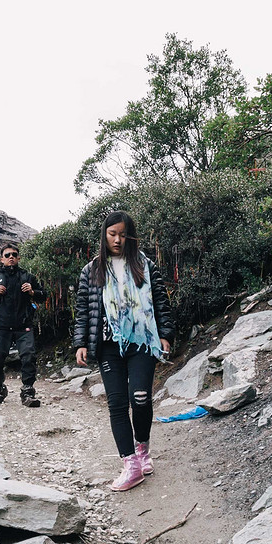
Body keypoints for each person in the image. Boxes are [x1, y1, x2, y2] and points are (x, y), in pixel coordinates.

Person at [73, 210, 173, 490]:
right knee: (117, 404)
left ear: (130, 236)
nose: (117, 239)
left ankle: (142, 450)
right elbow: (84, 310)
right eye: (112, 233)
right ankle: (130, 464)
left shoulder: (145, 265)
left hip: (142, 341)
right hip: (107, 345)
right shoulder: (91, 270)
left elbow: (161, 302)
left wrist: (165, 334)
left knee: (140, 397)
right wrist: (80, 342)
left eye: (123, 234)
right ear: (104, 235)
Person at [0, 244, 43, 406]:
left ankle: (28, 392)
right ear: (2, 259)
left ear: (19, 258)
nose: (11, 257)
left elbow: (43, 295)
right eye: (7, 255)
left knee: (28, 357)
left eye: (14, 254)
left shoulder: (28, 277)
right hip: (1, 326)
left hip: (23, 325)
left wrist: (33, 292)